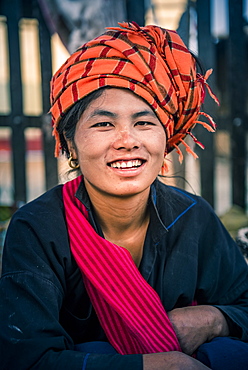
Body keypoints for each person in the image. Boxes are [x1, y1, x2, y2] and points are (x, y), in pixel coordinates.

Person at [0, 22, 247, 370]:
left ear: (166, 139)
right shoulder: (37, 230)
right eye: (103, 124)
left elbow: (243, 305)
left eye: (144, 123)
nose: (127, 140)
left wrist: (213, 319)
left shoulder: (193, 217)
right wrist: (161, 365)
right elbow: (27, 359)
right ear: (70, 143)